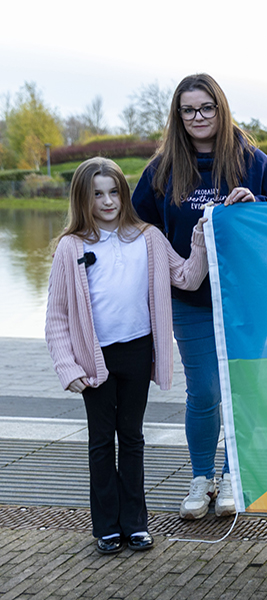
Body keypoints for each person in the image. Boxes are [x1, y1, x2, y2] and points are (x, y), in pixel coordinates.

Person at [132, 73, 267, 520]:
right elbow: (137, 229)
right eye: (188, 110)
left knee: (241, 388)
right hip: (190, 297)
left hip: (249, 296)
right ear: (178, 116)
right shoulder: (162, 169)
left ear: (220, 110)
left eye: (206, 108)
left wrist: (257, 204)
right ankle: (200, 477)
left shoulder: (251, 160)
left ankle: (233, 477)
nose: (198, 117)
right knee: (203, 390)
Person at [45, 157, 208, 554]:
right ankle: (106, 527)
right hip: (93, 357)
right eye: (97, 194)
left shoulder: (148, 238)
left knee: (132, 438)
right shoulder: (71, 247)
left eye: (114, 191)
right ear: (83, 198)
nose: (107, 201)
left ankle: (135, 523)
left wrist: (203, 234)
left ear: (124, 193)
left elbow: (187, 277)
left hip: (137, 351)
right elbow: (57, 315)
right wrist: (68, 367)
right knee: (102, 441)